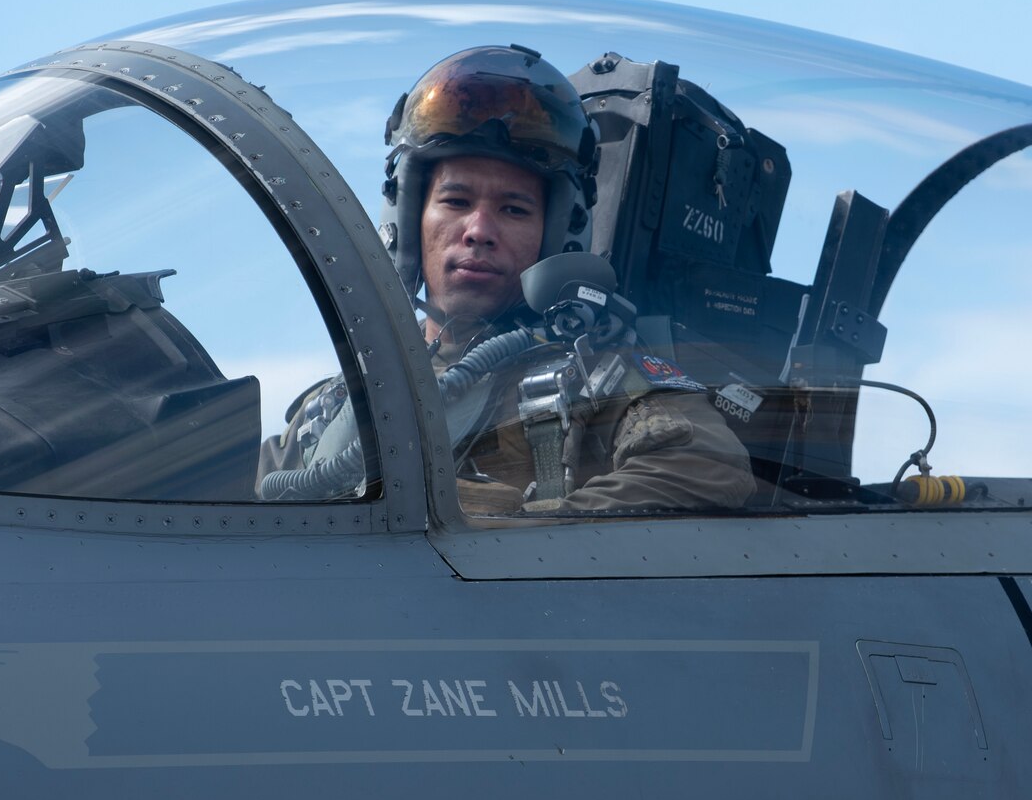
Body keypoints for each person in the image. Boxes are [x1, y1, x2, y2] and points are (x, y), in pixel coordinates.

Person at [262, 46, 754, 515]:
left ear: (556, 235)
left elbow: (704, 465)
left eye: (514, 210)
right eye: (455, 202)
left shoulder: (593, 374)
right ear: (409, 218)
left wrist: (508, 533)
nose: (478, 231)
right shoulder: (336, 403)